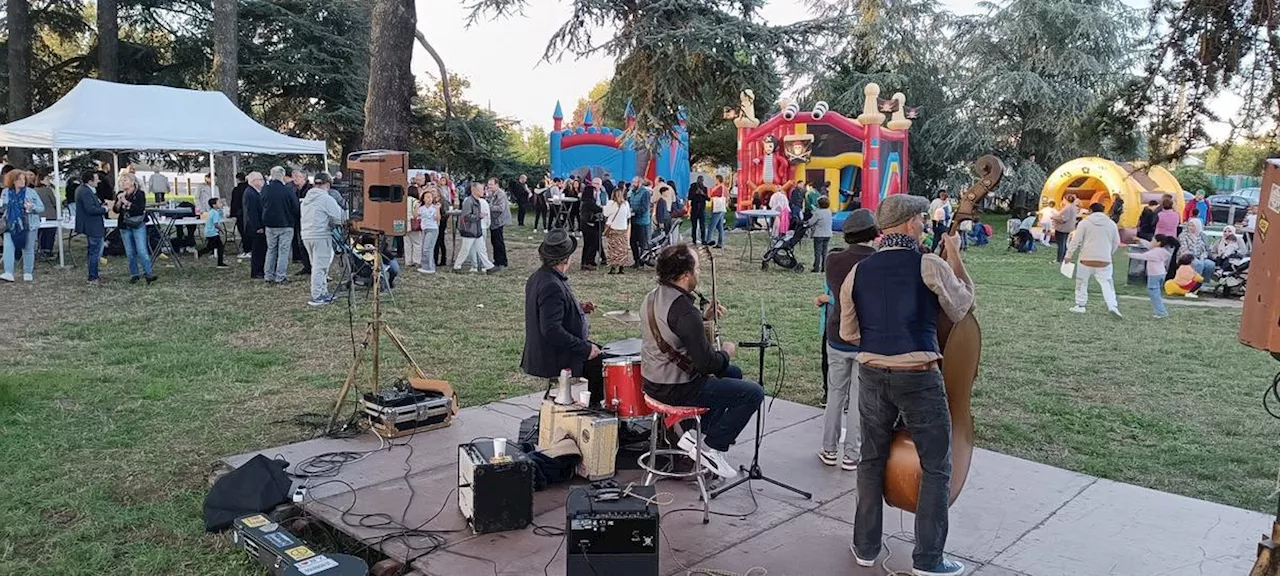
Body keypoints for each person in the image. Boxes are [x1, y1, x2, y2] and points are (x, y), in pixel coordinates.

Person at [839, 194, 974, 576]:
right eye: (920, 218)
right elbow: (962, 307)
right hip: (918, 375)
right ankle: (928, 559)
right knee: (935, 466)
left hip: (872, 373)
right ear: (912, 223)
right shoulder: (928, 263)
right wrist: (956, 255)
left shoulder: (858, 272)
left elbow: (849, 332)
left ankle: (865, 546)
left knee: (870, 459)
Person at [640, 243, 760, 479]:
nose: (700, 273)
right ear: (686, 275)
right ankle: (713, 447)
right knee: (753, 393)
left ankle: (696, 434)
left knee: (733, 374)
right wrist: (726, 352)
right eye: (697, 269)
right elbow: (708, 364)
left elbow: (674, 333)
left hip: (652, 382)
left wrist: (704, 319)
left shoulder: (652, 297)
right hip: (676, 389)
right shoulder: (685, 310)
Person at [814, 209, 877, 471]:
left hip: (837, 334)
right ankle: (852, 454)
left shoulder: (833, 260)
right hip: (866, 338)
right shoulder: (878, 262)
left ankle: (829, 448)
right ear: (873, 233)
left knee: (836, 395)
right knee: (859, 399)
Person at [521, 229, 605, 405]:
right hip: (552, 354)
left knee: (604, 352)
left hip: (548, 349)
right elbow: (551, 330)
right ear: (566, 258)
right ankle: (595, 411)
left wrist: (579, 308)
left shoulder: (541, 277)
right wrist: (585, 349)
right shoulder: (551, 285)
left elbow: (551, 310)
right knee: (603, 364)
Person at [1066, 202, 1123, 316]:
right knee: (1107, 283)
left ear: (1090, 210)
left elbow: (1075, 240)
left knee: (1082, 282)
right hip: (1104, 260)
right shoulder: (1111, 224)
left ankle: (1080, 305)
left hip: (1085, 258)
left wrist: (1068, 255)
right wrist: (1109, 253)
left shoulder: (1084, 223)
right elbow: (1116, 241)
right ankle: (1112, 305)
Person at [300, 172, 348, 306]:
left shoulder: (306, 199)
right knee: (321, 267)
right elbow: (340, 217)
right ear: (328, 185)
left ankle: (323, 291)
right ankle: (317, 295)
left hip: (307, 234)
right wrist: (352, 214)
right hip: (321, 235)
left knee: (315, 265)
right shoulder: (325, 198)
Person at [112, 173, 157, 285]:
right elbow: (116, 210)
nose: (123, 183)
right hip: (125, 225)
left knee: (141, 250)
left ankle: (148, 273)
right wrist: (119, 201)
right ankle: (134, 274)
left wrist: (126, 202)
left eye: (125, 180)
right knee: (130, 251)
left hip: (137, 224)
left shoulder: (139, 194)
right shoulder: (120, 194)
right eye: (121, 181)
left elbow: (139, 209)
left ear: (132, 182)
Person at [0, 170, 43, 283]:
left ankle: (28, 272)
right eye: (19, 179)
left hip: (28, 224)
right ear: (12, 180)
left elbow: (41, 208)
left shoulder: (31, 192)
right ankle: (8, 272)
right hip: (10, 223)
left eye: (24, 179)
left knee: (28, 248)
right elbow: (2, 207)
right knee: (8, 247)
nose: (22, 181)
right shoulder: (6, 192)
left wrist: (31, 207)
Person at [261, 166, 299, 283]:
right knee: (284, 251)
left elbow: (262, 203)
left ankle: (268, 275)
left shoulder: (265, 189)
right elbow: (295, 206)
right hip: (285, 223)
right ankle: (280, 276)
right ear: (282, 175)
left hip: (270, 224)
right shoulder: (287, 190)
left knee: (271, 249)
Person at [74, 171, 107, 284]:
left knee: (93, 251)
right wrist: (104, 210)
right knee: (95, 252)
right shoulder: (86, 192)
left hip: (90, 225)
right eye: (96, 179)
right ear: (90, 181)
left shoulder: (83, 190)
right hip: (92, 225)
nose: (99, 181)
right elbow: (90, 209)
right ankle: (93, 277)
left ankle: (94, 274)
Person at [1130, 235, 1175, 318]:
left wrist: (1129, 254)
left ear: (1158, 243)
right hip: (1161, 273)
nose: (1151, 242)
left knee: (1154, 293)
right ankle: (1160, 311)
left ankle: (1161, 312)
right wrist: (1140, 240)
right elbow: (1148, 245)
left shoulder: (1155, 252)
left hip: (1154, 275)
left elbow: (1143, 256)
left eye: (1153, 240)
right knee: (1156, 293)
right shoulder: (1161, 251)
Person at [454, 182, 495, 273]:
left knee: (482, 249)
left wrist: (478, 217)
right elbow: (466, 216)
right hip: (470, 229)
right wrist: (479, 216)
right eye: (480, 189)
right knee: (465, 249)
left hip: (476, 229)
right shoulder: (469, 201)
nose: (483, 191)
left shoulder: (477, 201)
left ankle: (489, 266)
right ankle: (457, 266)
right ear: (474, 190)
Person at [289, 169, 313, 275]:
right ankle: (306, 266)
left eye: (297, 177)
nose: (295, 179)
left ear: (304, 178)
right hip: (298, 221)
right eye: (293, 177)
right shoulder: (294, 190)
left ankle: (312, 266)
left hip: (309, 222)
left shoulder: (310, 190)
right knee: (301, 244)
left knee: (308, 245)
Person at [603, 187, 633, 274]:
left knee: (613, 249)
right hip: (623, 229)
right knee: (622, 249)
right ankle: (621, 267)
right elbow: (628, 216)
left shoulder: (611, 203)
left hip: (613, 228)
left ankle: (612, 267)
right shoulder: (626, 204)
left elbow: (606, 213)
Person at [243, 172, 267, 279]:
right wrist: (258, 227)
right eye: (260, 179)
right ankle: (257, 271)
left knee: (261, 249)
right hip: (255, 227)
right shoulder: (251, 193)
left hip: (258, 225)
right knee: (258, 250)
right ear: (253, 181)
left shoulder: (256, 192)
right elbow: (251, 212)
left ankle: (260, 269)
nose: (262, 181)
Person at [628, 177, 653, 268]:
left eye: (634, 182)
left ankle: (643, 260)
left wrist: (634, 212)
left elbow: (644, 208)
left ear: (639, 183)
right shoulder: (632, 193)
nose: (632, 183)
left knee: (642, 243)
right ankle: (636, 260)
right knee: (632, 242)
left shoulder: (645, 193)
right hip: (634, 221)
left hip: (642, 222)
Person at [487, 177, 511, 270]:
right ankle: (497, 260)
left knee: (498, 241)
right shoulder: (493, 193)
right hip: (494, 221)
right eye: (488, 184)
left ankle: (502, 261)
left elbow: (501, 208)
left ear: (496, 185)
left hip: (499, 221)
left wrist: (489, 206)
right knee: (494, 241)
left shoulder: (500, 194)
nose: (489, 186)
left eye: (491, 184)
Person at [200, 197, 229, 268]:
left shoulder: (211, 212)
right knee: (219, 247)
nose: (221, 204)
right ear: (214, 205)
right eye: (219, 203)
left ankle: (199, 253)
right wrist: (222, 230)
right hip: (213, 232)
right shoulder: (215, 213)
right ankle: (220, 263)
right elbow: (216, 224)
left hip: (209, 232)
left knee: (211, 247)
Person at [579, 183, 603, 271]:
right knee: (593, 243)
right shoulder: (589, 202)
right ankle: (588, 262)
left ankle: (585, 261)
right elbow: (598, 209)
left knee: (587, 244)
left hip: (585, 225)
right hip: (589, 224)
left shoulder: (585, 201)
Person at [807, 197, 833, 273]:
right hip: (828, 234)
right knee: (824, 252)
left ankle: (816, 268)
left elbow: (811, 222)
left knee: (817, 252)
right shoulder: (829, 211)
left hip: (819, 234)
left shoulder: (818, 213)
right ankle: (824, 268)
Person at [418, 188, 441, 274]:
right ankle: (425, 266)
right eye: (427, 197)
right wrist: (417, 207)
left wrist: (438, 209)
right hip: (424, 228)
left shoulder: (434, 208)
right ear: (423, 199)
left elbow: (438, 218)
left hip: (433, 229)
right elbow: (415, 215)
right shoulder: (422, 208)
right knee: (424, 248)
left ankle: (430, 267)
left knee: (428, 248)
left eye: (430, 197)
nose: (429, 199)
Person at [34, 171, 57, 258]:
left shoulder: (34, 191)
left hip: (39, 215)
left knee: (41, 233)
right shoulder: (48, 190)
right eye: (47, 179)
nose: (49, 181)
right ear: (41, 181)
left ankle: (41, 249)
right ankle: (48, 251)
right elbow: (54, 202)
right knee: (50, 234)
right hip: (50, 215)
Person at [433, 175, 454, 267]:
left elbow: (446, 213)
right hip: (434, 223)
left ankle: (443, 260)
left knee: (440, 240)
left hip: (441, 223)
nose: (433, 193)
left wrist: (442, 219)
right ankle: (434, 259)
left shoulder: (443, 201)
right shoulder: (431, 201)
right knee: (435, 242)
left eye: (434, 191)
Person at [1051, 193, 1079, 263]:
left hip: (1062, 228)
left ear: (1066, 200)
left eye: (1063, 199)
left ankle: (1059, 259)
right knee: (1064, 243)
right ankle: (1063, 258)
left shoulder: (1067, 208)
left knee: (1061, 244)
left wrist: (1054, 217)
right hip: (1069, 228)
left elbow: (1064, 219)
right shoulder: (1073, 207)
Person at [229, 172, 249, 258]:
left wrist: (232, 214)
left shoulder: (237, 190)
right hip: (249, 214)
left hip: (240, 214)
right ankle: (250, 249)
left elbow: (234, 203)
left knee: (243, 232)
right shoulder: (249, 188)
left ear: (237, 179)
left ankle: (246, 250)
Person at [404, 187, 424, 268]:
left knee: (407, 244)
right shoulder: (416, 202)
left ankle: (408, 261)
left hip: (405, 225)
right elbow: (418, 214)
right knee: (417, 243)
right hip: (413, 224)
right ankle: (416, 260)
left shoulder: (403, 200)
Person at [707, 175, 727, 248]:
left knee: (712, 225)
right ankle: (720, 243)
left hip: (717, 208)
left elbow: (711, 194)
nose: (714, 181)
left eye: (715, 179)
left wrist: (710, 190)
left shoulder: (719, 187)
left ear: (718, 180)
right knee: (720, 226)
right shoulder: (723, 187)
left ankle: (708, 240)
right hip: (721, 207)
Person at [688, 176, 709, 244]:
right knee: (694, 225)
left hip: (702, 209)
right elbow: (689, 197)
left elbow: (708, 198)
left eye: (702, 180)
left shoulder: (705, 188)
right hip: (694, 208)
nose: (700, 182)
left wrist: (703, 194)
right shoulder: (693, 187)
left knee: (702, 225)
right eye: (699, 180)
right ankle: (694, 239)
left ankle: (703, 239)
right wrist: (695, 193)